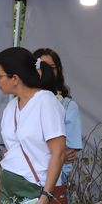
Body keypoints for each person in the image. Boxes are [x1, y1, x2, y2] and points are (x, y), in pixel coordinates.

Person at [0, 47, 66, 204]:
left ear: (15, 78)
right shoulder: (10, 107)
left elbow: (59, 152)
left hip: (35, 188)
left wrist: (46, 196)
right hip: (8, 187)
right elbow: (8, 154)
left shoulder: (45, 102)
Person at [32, 48, 83, 187]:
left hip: (53, 182)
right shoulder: (19, 103)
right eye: (42, 67)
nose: (47, 71)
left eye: (52, 68)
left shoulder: (68, 106)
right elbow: (8, 148)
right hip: (21, 178)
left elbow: (68, 154)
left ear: (58, 71)